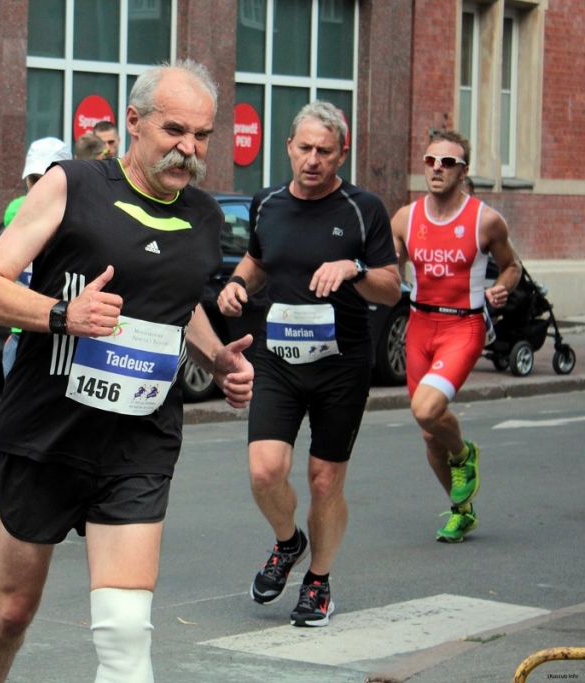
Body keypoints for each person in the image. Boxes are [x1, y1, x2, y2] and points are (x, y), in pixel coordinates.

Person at [0, 59, 255, 683]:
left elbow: (181, 303)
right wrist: (62, 313)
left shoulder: (205, 216)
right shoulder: (72, 184)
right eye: (174, 130)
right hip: (45, 433)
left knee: (125, 630)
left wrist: (216, 357)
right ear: (134, 121)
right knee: (12, 612)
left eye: (202, 135)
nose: (188, 148)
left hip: (138, 440)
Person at [217, 101, 401, 628]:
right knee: (264, 471)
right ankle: (287, 541)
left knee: (324, 480)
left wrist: (354, 268)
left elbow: (391, 287)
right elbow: (257, 259)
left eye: (324, 150)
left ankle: (318, 581)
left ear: (342, 153)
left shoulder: (363, 208)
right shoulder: (267, 203)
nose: (313, 160)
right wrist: (236, 283)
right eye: (304, 148)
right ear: (289, 148)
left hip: (341, 364)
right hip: (278, 359)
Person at [391, 130, 520, 543]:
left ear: (463, 171)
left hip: (462, 327)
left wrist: (502, 287)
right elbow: (387, 271)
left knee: (427, 409)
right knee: (430, 433)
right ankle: (462, 511)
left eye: (447, 163)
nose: (437, 169)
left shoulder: (485, 220)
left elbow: (512, 266)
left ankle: (465, 454)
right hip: (419, 327)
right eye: (430, 161)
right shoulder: (405, 218)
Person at [0, 137, 72, 378]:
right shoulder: (17, 209)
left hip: (65, 333)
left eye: (47, 179)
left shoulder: (81, 212)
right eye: (35, 180)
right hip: (21, 332)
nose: (41, 188)